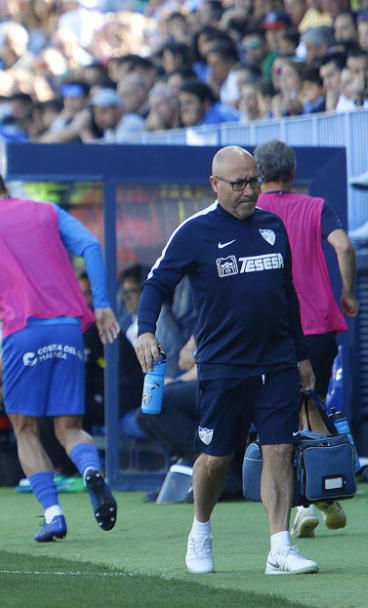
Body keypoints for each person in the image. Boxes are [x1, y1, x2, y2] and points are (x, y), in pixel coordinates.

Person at [135, 146, 319, 575]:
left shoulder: (273, 225)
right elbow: (156, 284)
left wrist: (301, 355)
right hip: (221, 367)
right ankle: (200, 529)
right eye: (239, 184)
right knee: (216, 459)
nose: (250, 191)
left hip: (275, 363)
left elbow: (287, 295)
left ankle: (279, 548)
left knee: (279, 448)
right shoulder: (195, 231)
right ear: (214, 185)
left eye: (254, 180)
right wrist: (146, 329)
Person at [0, 165, 120, 543]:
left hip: (22, 330)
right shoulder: (46, 210)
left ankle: (53, 514)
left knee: (25, 429)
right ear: (4, 188)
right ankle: (91, 470)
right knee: (69, 427)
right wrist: (102, 304)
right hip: (68, 328)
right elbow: (91, 247)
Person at [254, 139, 357, 538]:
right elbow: (343, 246)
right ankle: (320, 495)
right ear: (292, 174)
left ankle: (309, 502)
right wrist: (347, 292)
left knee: (287, 418)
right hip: (316, 325)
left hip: (270, 328)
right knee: (309, 407)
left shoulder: (254, 211)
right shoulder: (315, 207)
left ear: (258, 175)